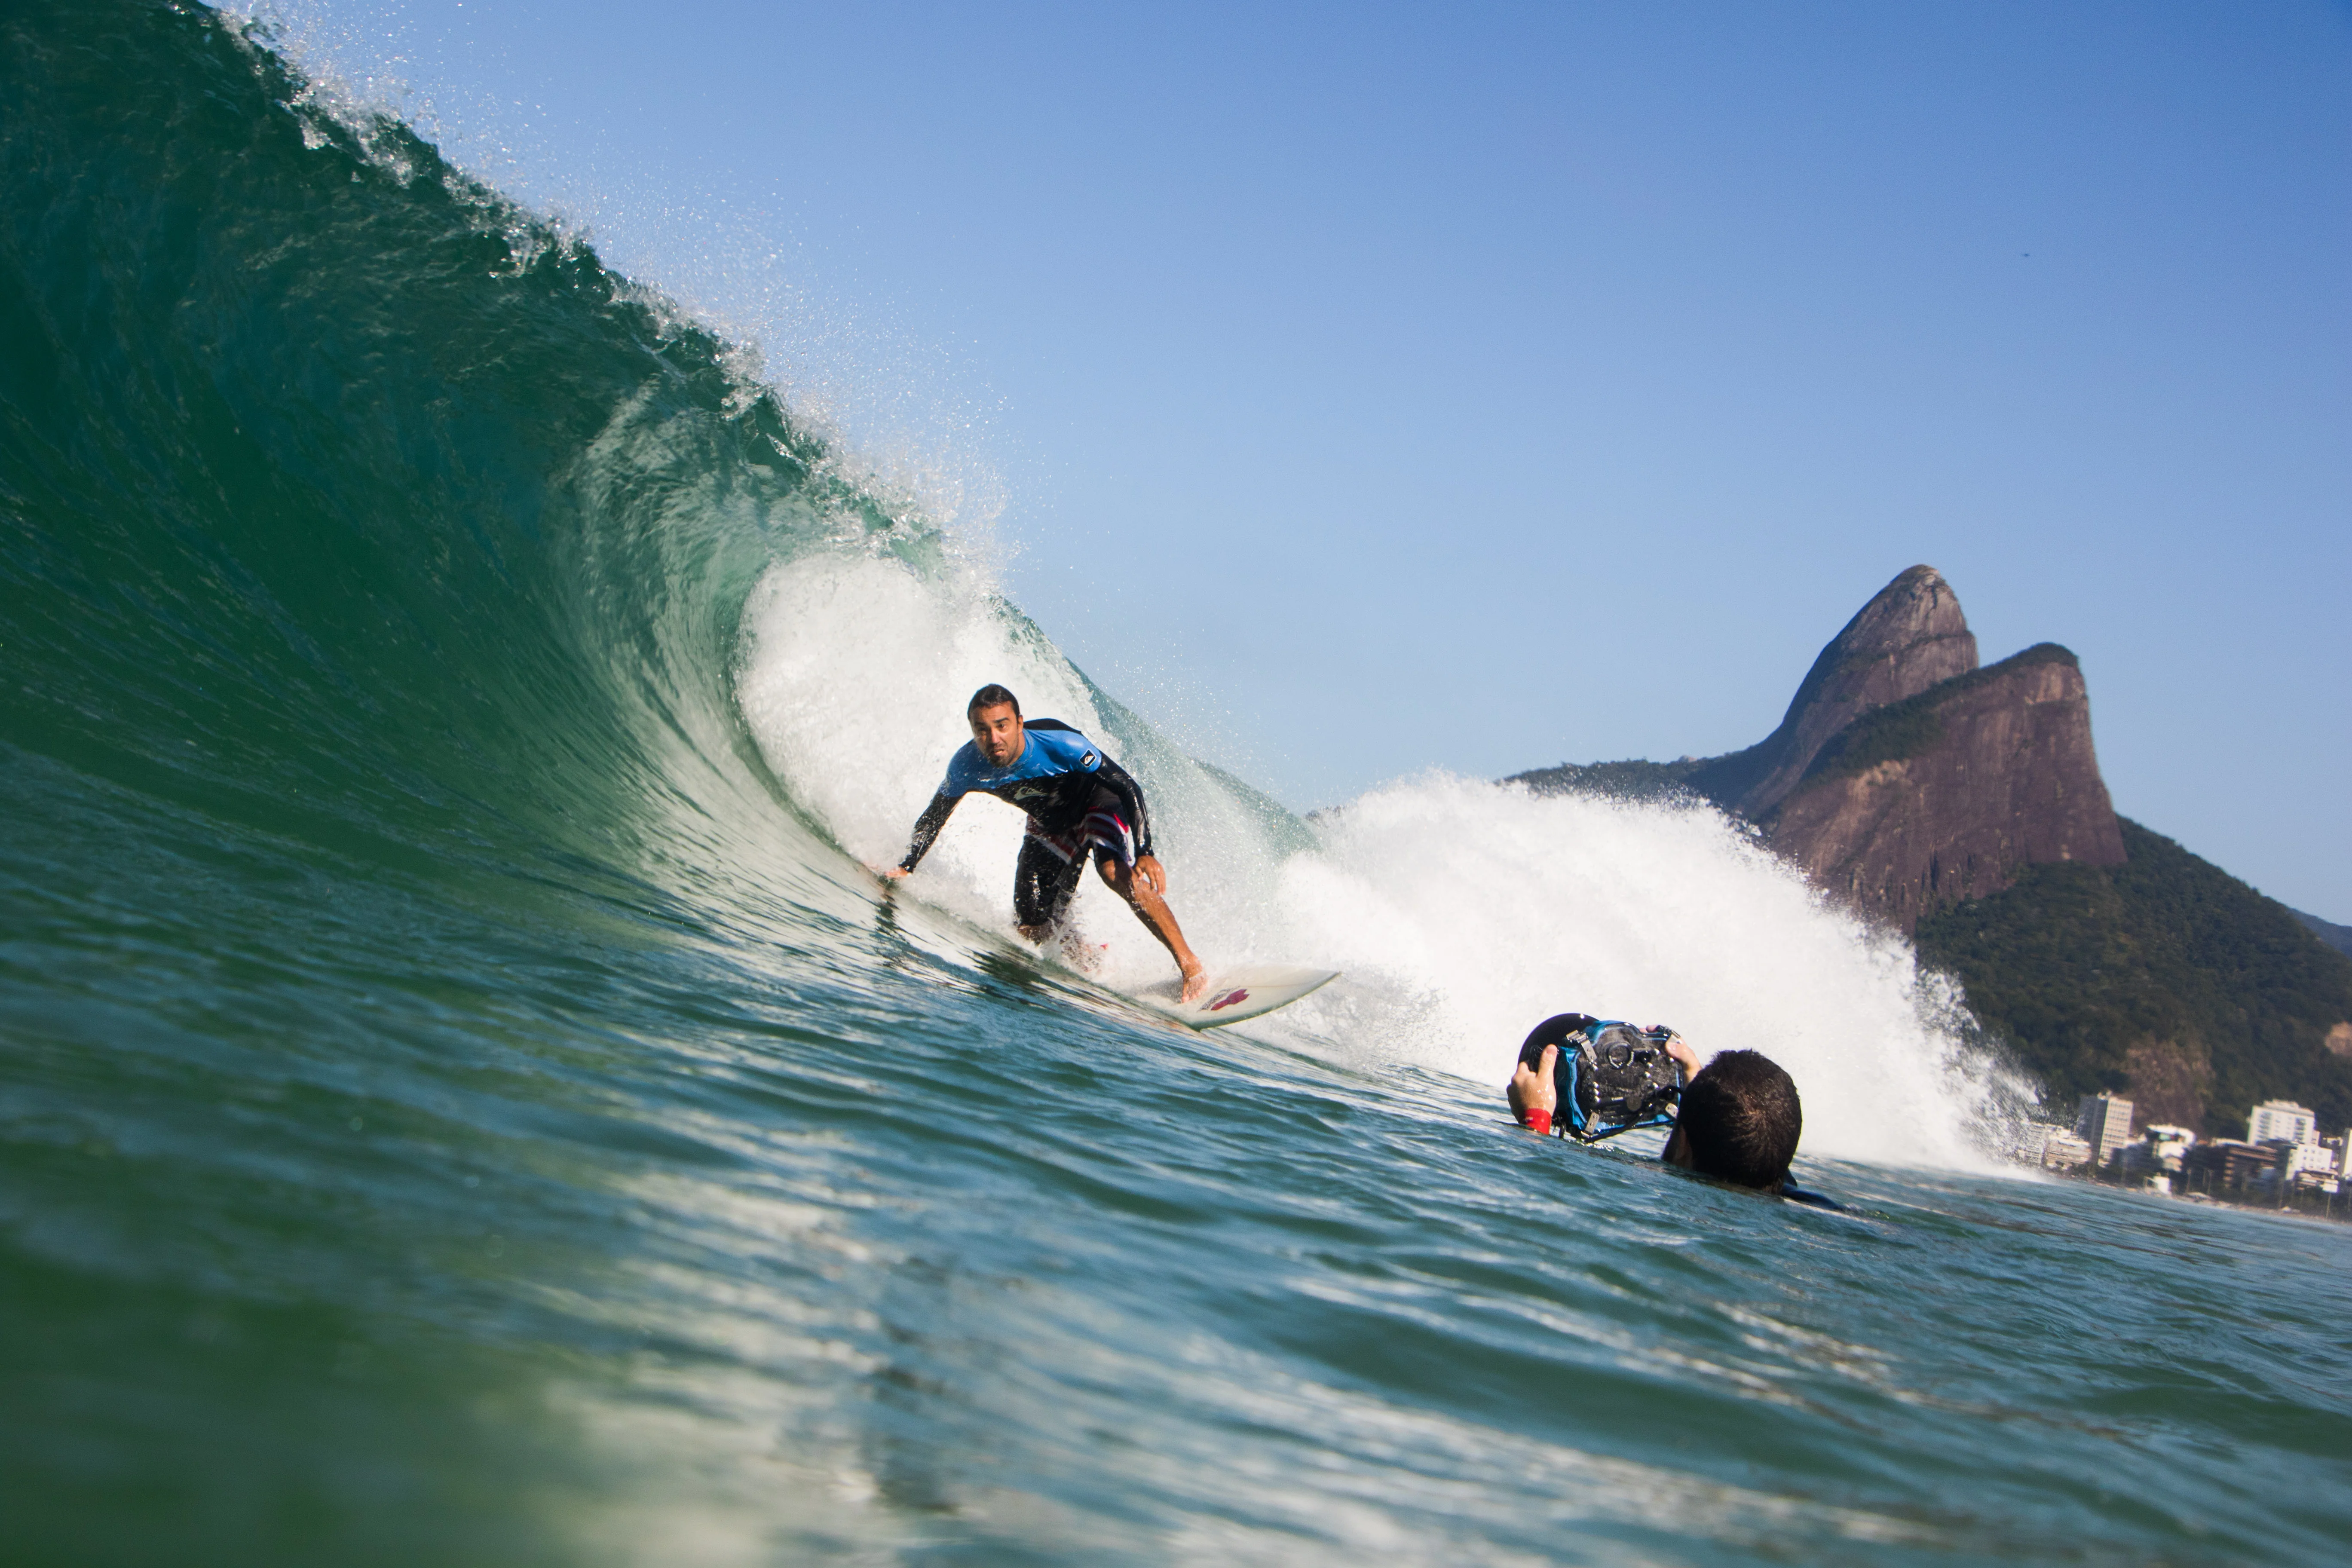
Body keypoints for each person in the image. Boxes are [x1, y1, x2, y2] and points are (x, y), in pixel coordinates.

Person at [883, 684, 1210, 1001]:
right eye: (982, 730)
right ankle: (1089, 962)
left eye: (1002, 726)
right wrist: (906, 867)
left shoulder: (1060, 745)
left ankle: (1190, 966)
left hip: (1097, 802)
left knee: (1113, 871)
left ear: (1020, 723)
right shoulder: (967, 766)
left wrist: (1145, 852)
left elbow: (1126, 786)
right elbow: (934, 816)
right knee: (1031, 925)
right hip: (1051, 824)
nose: (994, 738)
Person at [1508, 1013, 1806, 1195]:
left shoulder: (1657, 1204)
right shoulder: (1787, 1188)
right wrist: (1701, 1094)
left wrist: (1537, 1120)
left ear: (1685, 1144)